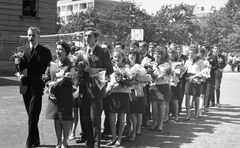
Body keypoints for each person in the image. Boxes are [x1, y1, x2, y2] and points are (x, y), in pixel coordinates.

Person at [16, 26, 52, 148]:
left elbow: (49, 69)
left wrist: (47, 80)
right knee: (31, 115)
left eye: (33, 35)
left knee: (32, 114)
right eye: (29, 35)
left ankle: (30, 143)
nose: (31, 38)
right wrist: (18, 71)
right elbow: (19, 69)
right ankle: (36, 140)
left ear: (38, 37)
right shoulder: (22, 50)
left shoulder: (45, 52)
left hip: (37, 87)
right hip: (25, 86)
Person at [78, 28, 113, 148]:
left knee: (96, 117)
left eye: (89, 36)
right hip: (84, 88)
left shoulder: (103, 51)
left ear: (96, 38)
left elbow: (110, 69)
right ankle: (90, 141)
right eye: (85, 36)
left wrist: (96, 71)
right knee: (85, 115)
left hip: (97, 88)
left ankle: (97, 142)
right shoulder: (82, 52)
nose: (86, 38)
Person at [43, 40, 74, 148]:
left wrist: (68, 78)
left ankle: (64, 142)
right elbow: (46, 77)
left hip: (66, 96)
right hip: (54, 97)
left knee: (65, 120)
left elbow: (75, 80)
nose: (58, 51)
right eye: (57, 49)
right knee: (56, 120)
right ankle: (58, 142)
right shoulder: (52, 64)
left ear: (66, 52)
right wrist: (48, 84)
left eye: (61, 49)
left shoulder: (71, 65)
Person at [105, 49, 131, 147]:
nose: (117, 59)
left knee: (121, 117)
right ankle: (113, 137)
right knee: (112, 118)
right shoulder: (110, 68)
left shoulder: (126, 68)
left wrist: (123, 83)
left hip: (122, 95)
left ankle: (119, 138)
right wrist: (110, 86)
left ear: (123, 58)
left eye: (119, 57)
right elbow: (107, 79)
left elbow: (129, 82)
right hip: (112, 95)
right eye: (115, 57)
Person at [146, 46, 171, 132]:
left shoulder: (166, 65)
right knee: (154, 106)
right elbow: (148, 75)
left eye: (159, 54)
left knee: (161, 105)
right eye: (155, 53)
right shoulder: (150, 64)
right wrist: (153, 77)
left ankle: (160, 124)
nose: (157, 55)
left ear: (162, 55)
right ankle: (154, 123)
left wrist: (162, 77)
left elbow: (169, 76)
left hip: (163, 85)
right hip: (154, 86)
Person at [184, 45, 204, 120]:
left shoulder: (200, 62)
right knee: (187, 96)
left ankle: (196, 113)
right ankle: (188, 114)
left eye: (192, 53)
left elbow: (203, 73)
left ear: (196, 54)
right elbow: (185, 70)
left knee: (196, 97)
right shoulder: (187, 61)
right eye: (189, 53)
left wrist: (199, 77)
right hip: (189, 79)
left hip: (196, 78)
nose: (190, 55)